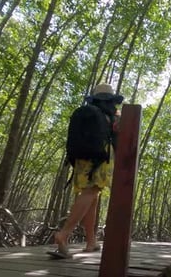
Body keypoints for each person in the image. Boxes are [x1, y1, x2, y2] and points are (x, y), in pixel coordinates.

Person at [48, 83, 123, 259]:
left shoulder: (87, 112)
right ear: (111, 99)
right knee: (91, 192)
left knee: (91, 196)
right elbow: (118, 139)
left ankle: (91, 241)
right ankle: (63, 234)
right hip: (101, 157)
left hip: (81, 158)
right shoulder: (111, 116)